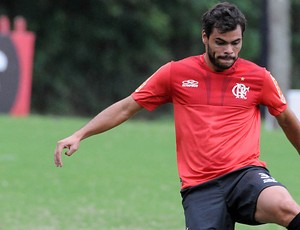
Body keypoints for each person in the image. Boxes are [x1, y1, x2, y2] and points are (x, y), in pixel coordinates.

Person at [54, 2, 300, 229]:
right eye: (220, 42)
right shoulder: (175, 73)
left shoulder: (258, 77)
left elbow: (286, 119)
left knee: (286, 207)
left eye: (235, 43)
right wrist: (80, 134)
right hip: (200, 187)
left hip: (245, 175)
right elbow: (126, 107)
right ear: (204, 37)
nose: (229, 51)